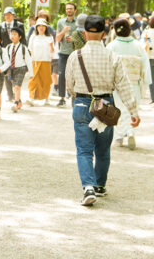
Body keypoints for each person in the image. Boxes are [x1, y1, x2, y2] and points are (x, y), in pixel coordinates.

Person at [65, 15, 141, 206]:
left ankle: (88, 187)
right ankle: (99, 185)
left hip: (83, 103)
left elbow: (69, 85)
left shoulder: (76, 56)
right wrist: (133, 111)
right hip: (106, 106)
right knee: (103, 150)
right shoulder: (112, 56)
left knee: (84, 150)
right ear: (104, 34)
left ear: (84, 33)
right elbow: (123, 86)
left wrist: (79, 97)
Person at [106, 18, 150, 150]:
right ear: (129, 30)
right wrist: (146, 80)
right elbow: (145, 64)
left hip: (117, 83)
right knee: (132, 108)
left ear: (115, 30)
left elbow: (106, 65)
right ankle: (130, 131)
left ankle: (119, 137)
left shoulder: (111, 46)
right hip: (134, 82)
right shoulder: (138, 45)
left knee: (119, 109)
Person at [27, 18, 54, 106]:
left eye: (43, 26)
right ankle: (31, 97)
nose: (41, 28)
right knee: (33, 79)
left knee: (46, 80)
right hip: (35, 61)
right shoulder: (33, 37)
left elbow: (53, 51)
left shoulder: (49, 37)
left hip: (46, 61)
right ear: (37, 27)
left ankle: (46, 98)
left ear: (46, 28)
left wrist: (51, 47)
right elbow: (30, 49)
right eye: (39, 26)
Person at [55, 3, 78, 107]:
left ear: (75, 10)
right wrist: (63, 31)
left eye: (71, 9)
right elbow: (57, 39)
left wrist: (73, 39)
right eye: (67, 9)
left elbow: (83, 38)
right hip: (63, 52)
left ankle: (74, 97)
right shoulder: (60, 22)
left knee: (75, 76)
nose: (69, 10)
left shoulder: (78, 23)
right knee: (62, 74)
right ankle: (61, 98)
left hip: (75, 53)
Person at [6, 26, 32, 113]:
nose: (12, 36)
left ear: (20, 37)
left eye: (15, 34)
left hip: (21, 68)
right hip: (12, 69)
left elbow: (28, 60)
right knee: (14, 87)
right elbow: (6, 59)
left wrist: (31, 73)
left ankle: (15, 103)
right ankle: (19, 101)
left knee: (17, 86)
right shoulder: (8, 47)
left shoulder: (23, 48)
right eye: (11, 34)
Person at [140, 15, 154, 103]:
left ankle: (153, 97)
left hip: (150, 56)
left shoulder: (147, 32)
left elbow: (143, 44)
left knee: (152, 77)